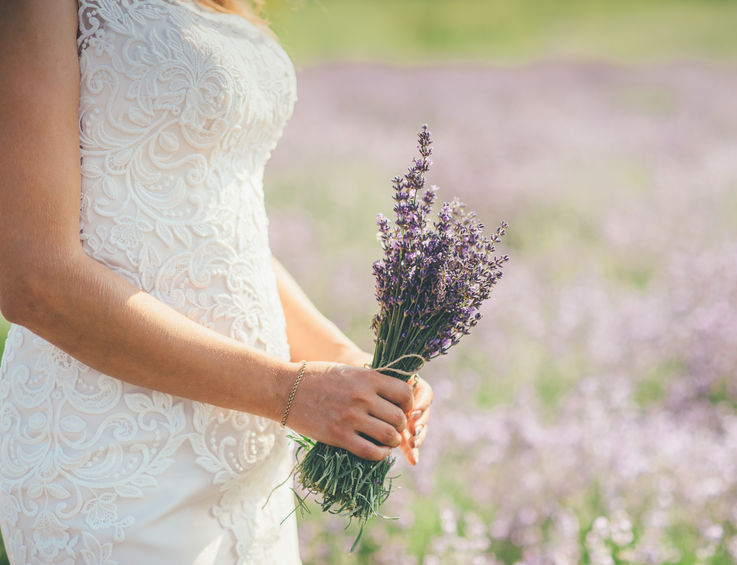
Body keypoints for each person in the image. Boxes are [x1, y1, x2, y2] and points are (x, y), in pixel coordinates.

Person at [0, 0, 432, 563]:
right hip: (113, 454)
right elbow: (33, 276)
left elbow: (227, 245)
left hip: (252, 455)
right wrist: (290, 390)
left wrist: (355, 372)